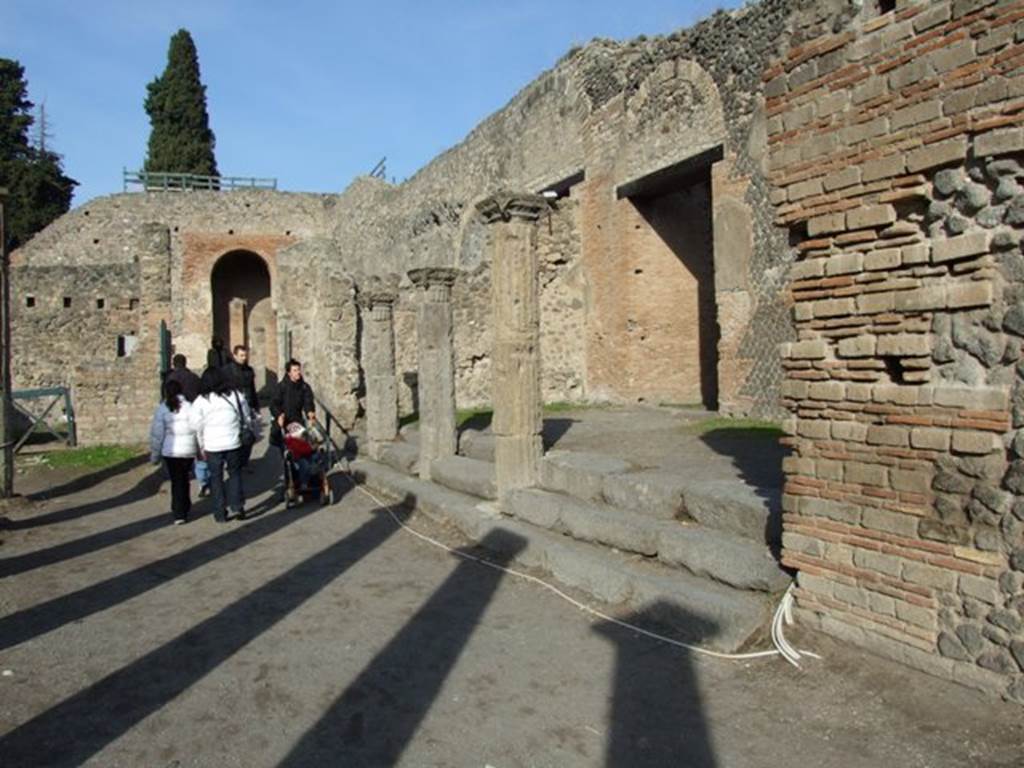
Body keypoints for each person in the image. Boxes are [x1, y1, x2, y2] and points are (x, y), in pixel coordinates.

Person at [189, 367, 257, 522]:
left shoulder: (201, 401)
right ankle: (238, 506)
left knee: (216, 478)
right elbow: (246, 415)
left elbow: (195, 425)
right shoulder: (235, 395)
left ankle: (220, 512)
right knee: (235, 474)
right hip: (233, 442)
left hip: (212, 445)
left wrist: (201, 444)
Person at [148, 379, 198, 525]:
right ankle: (185, 506)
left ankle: (179, 512)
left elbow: (157, 435)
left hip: (170, 451)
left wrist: (155, 456)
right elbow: (196, 427)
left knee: (176, 481)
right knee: (185, 479)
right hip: (188, 449)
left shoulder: (162, 409)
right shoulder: (189, 407)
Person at [223, 344, 261, 469]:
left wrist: (256, 405)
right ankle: (233, 462)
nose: (244, 358)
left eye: (245, 355)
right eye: (241, 355)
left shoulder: (249, 370)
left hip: (248, 406)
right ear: (234, 355)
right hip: (232, 407)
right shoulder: (227, 371)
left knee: (249, 436)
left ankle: (243, 461)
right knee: (233, 436)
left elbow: (252, 389)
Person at [269, 359, 316, 451]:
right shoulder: (281, 387)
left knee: (301, 447)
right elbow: (274, 403)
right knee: (288, 449)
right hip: (284, 420)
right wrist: (278, 415)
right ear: (289, 373)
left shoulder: (304, 387)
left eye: (299, 370)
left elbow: (308, 401)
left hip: (297, 420)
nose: (298, 372)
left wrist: (310, 411)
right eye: (295, 370)